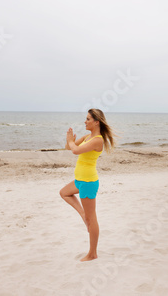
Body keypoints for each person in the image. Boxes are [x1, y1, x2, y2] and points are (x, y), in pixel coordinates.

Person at [59, 109, 115, 262]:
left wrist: (71, 142)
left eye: (88, 119)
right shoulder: (87, 137)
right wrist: (69, 140)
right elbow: (68, 148)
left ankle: (92, 253)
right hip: (80, 179)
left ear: (96, 122)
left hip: (88, 182)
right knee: (64, 193)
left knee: (92, 219)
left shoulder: (97, 140)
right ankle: (83, 215)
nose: (85, 121)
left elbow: (75, 150)